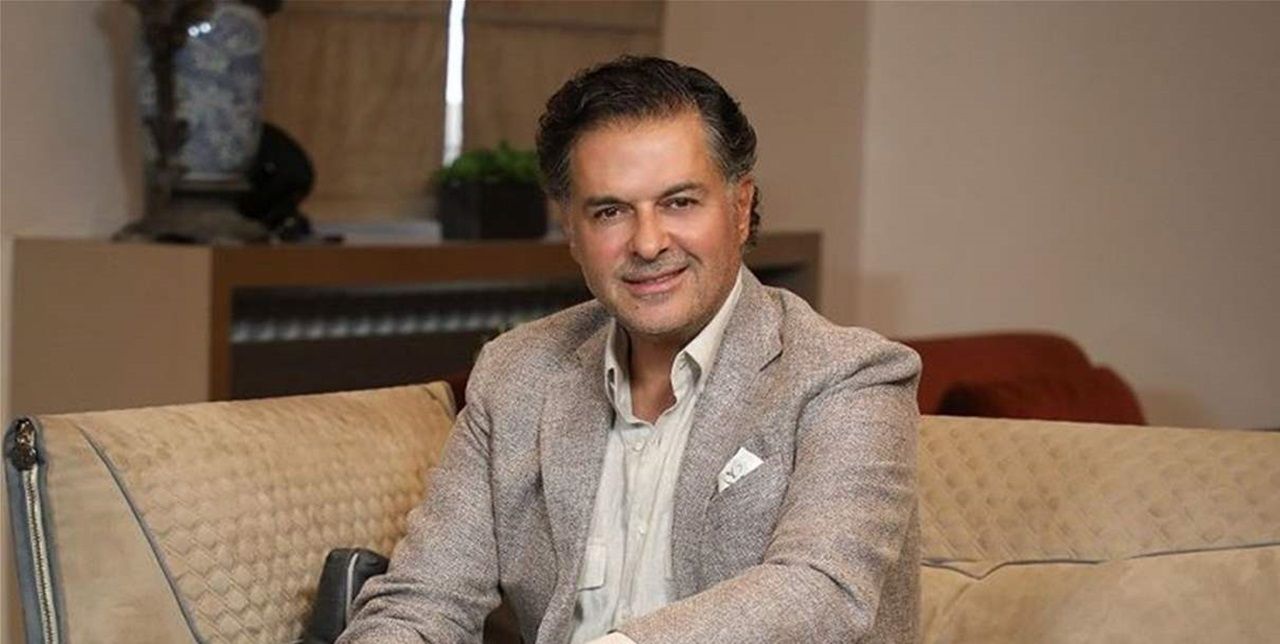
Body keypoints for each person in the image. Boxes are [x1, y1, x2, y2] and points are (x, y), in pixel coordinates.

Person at [340, 56, 921, 644]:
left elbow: (821, 590)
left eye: (679, 202)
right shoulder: (516, 373)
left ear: (741, 208)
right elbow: (425, 600)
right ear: (572, 231)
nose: (647, 243)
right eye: (611, 212)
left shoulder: (851, 378)